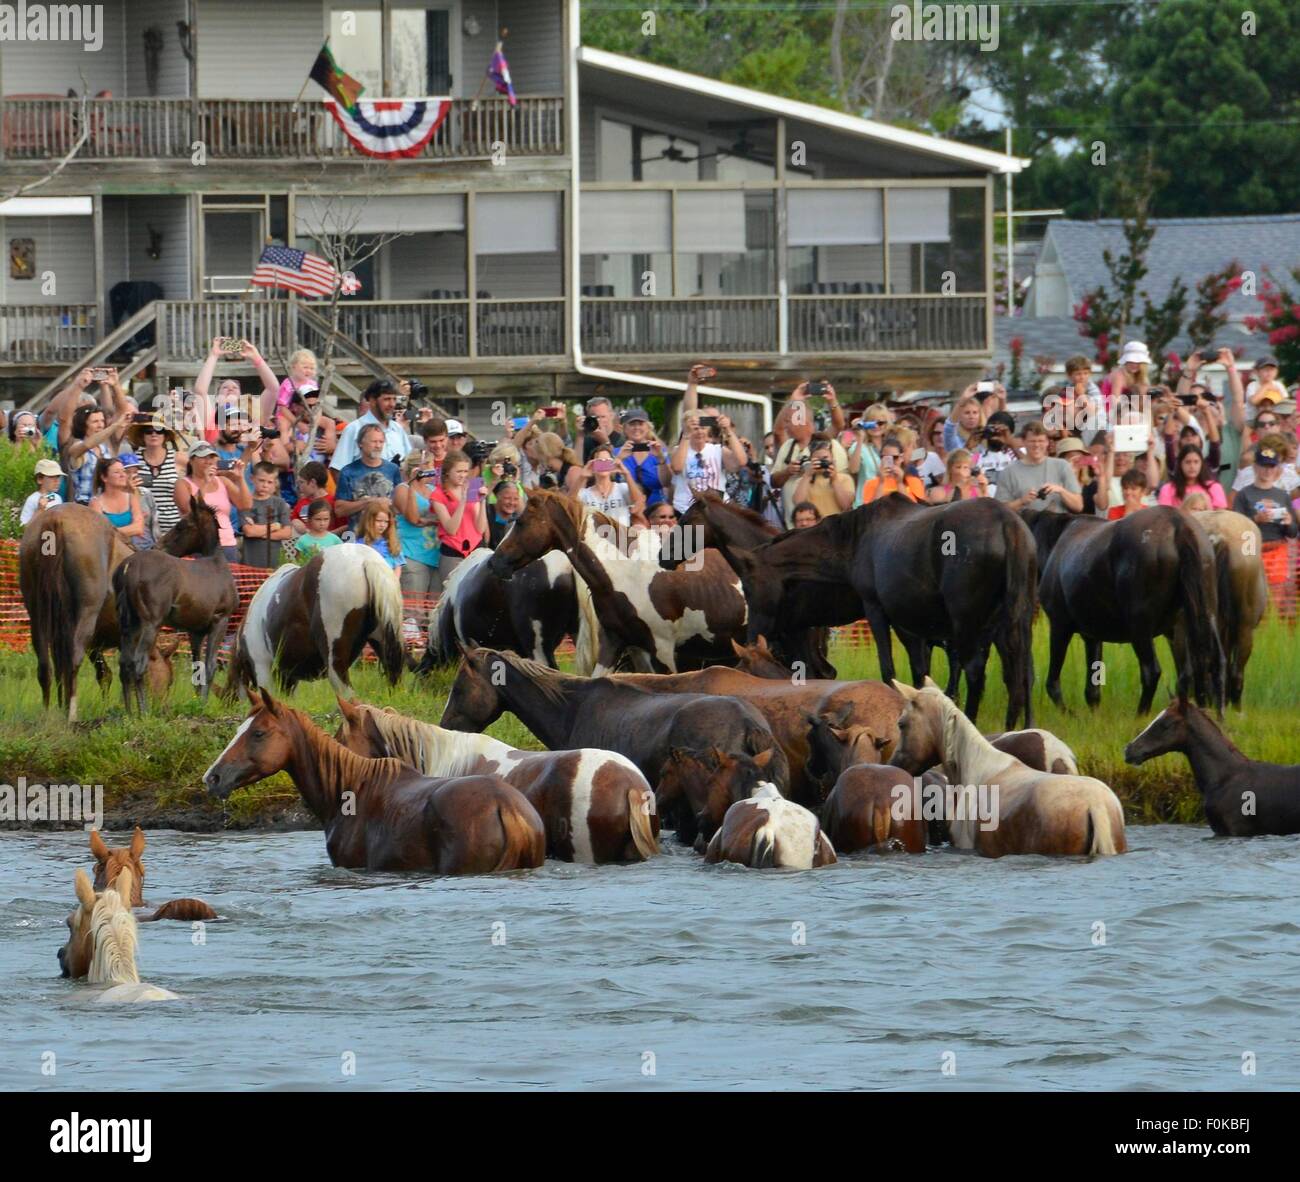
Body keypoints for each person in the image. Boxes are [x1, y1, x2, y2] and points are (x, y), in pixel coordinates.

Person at [1232, 443, 1299, 596]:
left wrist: (1289, 523)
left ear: (1277, 469)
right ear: (1255, 467)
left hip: (1277, 552)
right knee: (1251, 595)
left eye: (1271, 466)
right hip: (1251, 552)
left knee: (1276, 597)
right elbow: (1236, 528)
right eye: (1263, 466)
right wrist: (1256, 519)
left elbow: (1293, 532)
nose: (1267, 470)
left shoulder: (1283, 495)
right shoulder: (1243, 494)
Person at [175, 441, 254, 563]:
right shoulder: (183, 484)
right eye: (203, 457)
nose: (208, 461)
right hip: (199, 546)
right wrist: (205, 483)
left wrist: (240, 478)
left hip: (226, 543)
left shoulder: (223, 481)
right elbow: (189, 510)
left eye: (211, 457)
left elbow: (245, 505)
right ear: (191, 460)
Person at [994, 421, 1083, 513]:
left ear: (1047, 442)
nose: (1036, 445)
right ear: (1023, 442)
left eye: (1041, 441)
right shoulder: (1009, 472)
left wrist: (1061, 491)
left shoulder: (1062, 466)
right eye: (1032, 441)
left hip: (1057, 523)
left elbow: (1078, 506)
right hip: (1024, 524)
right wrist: (1022, 501)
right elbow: (1000, 510)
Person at [671, 406, 746, 513]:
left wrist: (728, 430)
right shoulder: (678, 450)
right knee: (689, 530)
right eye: (695, 428)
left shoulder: (717, 450)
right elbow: (677, 468)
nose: (700, 432)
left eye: (703, 428)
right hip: (685, 510)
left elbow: (741, 462)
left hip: (716, 509)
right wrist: (686, 434)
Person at [430, 448, 487, 583]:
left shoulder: (472, 486)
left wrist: (483, 501)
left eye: (465, 471)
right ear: (448, 472)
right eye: (459, 471)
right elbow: (451, 529)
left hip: (475, 548)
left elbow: (481, 529)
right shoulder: (437, 494)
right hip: (453, 552)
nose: (463, 475)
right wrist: (463, 500)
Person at [124, 414, 186, 538]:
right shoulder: (133, 460)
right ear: (142, 435)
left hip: (174, 529)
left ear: (165, 435)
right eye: (148, 431)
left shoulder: (178, 458)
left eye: (159, 430)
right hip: (144, 530)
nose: (154, 434)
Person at [393, 454, 442, 605]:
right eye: (427, 464)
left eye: (432, 464)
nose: (431, 468)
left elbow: (443, 518)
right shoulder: (403, 489)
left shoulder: (434, 489)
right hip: (413, 554)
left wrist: (427, 521)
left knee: (433, 610)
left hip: (435, 555)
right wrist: (413, 484)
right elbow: (413, 518)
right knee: (414, 610)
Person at [329, 379, 409, 471]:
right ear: (372, 401)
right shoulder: (354, 429)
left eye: (394, 399)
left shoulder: (398, 429)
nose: (392, 404)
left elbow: (409, 463)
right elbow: (337, 469)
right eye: (387, 399)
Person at [334, 423, 401, 531]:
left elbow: (400, 506)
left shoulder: (393, 470)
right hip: (359, 536)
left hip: (387, 537)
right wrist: (369, 502)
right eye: (374, 441)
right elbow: (339, 510)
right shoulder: (348, 472)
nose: (378, 446)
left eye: (381, 442)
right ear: (361, 443)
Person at [242, 461, 292, 569]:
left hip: (274, 563)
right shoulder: (245, 502)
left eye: (269, 482)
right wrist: (274, 527)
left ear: (275, 483)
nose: (265, 485)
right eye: (261, 480)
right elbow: (249, 532)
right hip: (250, 563)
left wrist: (259, 532)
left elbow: (287, 533)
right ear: (252, 479)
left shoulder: (280, 503)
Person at [616, 407, 670, 509]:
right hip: (625, 506)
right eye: (632, 424)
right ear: (624, 429)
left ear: (648, 427)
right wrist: (619, 459)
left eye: (640, 424)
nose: (636, 428)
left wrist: (661, 459)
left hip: (656, 508)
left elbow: (667, 482)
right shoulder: (616, 452)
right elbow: (606, 478)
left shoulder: (658, 450)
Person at [790, 437, 855, 519]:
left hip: (836, 525)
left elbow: (846, 506)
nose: (821, 462)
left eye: (825, 458)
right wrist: (807, 476)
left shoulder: (844, 479)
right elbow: (798, 503)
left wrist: (834, 480)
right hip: (815, 527)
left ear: (832, 458)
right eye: (817, 459)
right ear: (811, 460)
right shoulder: (803, 481)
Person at [580, 443, 640, 526]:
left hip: (620, 536)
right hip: (594, 537)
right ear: (592, 465)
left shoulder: (622, 488)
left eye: (607, 461)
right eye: (599, 461)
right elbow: (569, 506)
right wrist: (582, 477)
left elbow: (637, 501)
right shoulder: (585, 494)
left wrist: (627, 474)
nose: (603, 464)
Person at [89, 456, 145, 543]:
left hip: (131, 549)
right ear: (104, 478)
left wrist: (112, 532)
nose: (123, 475)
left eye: (123, 471)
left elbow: (139, 528)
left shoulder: (131, 498)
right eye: (116, 472)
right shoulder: (96, 503)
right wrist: (129, 530)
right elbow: (100, 533)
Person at [1159, 444, 1228, 509]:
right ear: (1180, 464)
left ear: (1201, 464)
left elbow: (1220, 515)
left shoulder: (1214, 487)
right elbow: (1165, 517)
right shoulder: (1168, 489)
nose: (1192, 466)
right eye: (1188, 462)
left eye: (1196, 462)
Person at [859, 436, 926, 504]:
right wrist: (881, 483)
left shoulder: (914, 481)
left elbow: (915, 509)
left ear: (901, 458)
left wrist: (900, 483)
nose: (891, 461)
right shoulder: (871, 483)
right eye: (886, 457)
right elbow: (871, 511)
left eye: (895, 457)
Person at [1054, 436, 1108, 515]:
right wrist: (1069, 474)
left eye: (1080, 457)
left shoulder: (1090, 485)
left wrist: (1101, 477)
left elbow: (1102, 506)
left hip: (1087, 526)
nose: (1077, 460)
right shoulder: (1055, 485)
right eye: (1071, 457)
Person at [290, 461, 345, 534]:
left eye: (302, 482)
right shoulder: (301, 503)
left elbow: (345, 526)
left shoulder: (334, 502)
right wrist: (295, 522)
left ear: (312, 482)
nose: (299, 487)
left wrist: (326, 536)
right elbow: (292, 521)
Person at [357, 500, 404, 577]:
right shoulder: (360, 544)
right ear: (368, 521)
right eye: (379, 521)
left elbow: (398, 567)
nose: (383, 525)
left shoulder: (392, 543)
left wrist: (393, 582)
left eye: (386, 522)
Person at [530, 430, 585, 496]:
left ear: (544, 455)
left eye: (539, 457)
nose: (540, 462)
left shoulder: (573, 472)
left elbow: (578, 502)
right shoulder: (561, 473)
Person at [580, 394, 626, 461]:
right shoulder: (586, 441)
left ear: (611, 415)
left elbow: (618, 467)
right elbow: (577, 467)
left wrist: (605, 441)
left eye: (602, 417)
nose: (599, 421)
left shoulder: (622, 441)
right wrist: (579, 435)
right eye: (594, 418)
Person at [21, 458, 66, 524]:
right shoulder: (32, 499)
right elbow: (24, 527)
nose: (57, 481)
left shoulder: (57, 498)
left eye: (58, 476)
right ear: (39, 479)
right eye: (51, 476)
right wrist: (40, 510)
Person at [488, 480, 523, 548]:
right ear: (498, 496)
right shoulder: (487, 512)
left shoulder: (516, 521)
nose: (512, 502)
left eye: (516, 499)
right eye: (507, 498)